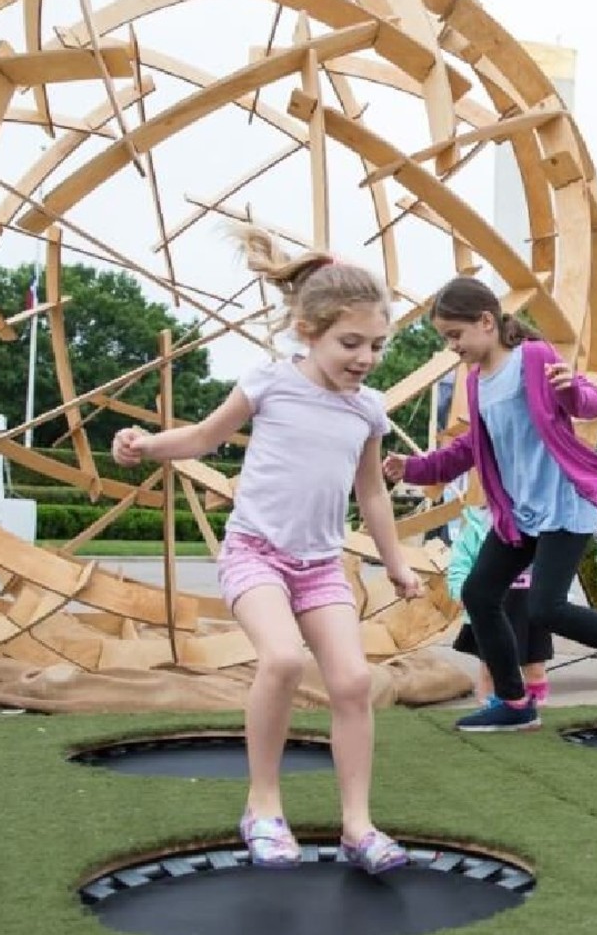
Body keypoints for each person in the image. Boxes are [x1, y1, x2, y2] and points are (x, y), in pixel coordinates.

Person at [111, 226, 422, 875]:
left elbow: (370, 495)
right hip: (255, 555)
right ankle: (262, 807)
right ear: (307, 330)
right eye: (350, 343)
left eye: (376, 345)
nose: (365, 357)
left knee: (355, 680)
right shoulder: (271, 383)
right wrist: (144, 445)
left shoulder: (367, 410)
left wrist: (396, 565)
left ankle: (359, 825)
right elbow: (201, 438)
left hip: (319, 567)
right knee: (281, 659)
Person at [382, 276, 597, 732]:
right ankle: (514, 702)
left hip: (563, 505)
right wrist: (412, 468)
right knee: (479, 593)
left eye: (455, 335)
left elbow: (594, 403)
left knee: (545, 608)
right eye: (446, 339)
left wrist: (571, 392)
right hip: (519, 515)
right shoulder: (477, 382)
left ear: (485, 322)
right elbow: (468, 450)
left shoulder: (532, 358)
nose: (451, 347)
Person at [449, 504, 552, 706]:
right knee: (490, 667)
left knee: (535, 666)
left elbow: (555, 564)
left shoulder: (540, 519)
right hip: (493, 605)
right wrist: (461, 590)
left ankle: (535, 708)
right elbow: (460, 562)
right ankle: (489, 707)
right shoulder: (476, 525)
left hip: (529, 606)